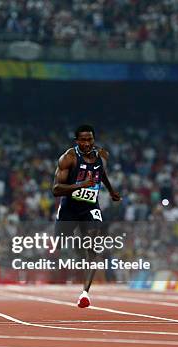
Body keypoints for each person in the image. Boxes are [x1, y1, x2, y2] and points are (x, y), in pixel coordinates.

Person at [52, 124, 121, 308]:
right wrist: (81, 184)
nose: (87, 143)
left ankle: (85, 294)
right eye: (83, 140)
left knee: (93, 244)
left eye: (90, 139)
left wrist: (111, 190)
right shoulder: (68, 158)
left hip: (90, 207)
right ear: (77, 141)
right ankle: (75, 239)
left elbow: (101, 173)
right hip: (69, 208)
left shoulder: (98, 156)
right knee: (59, 242)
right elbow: (56, 189)